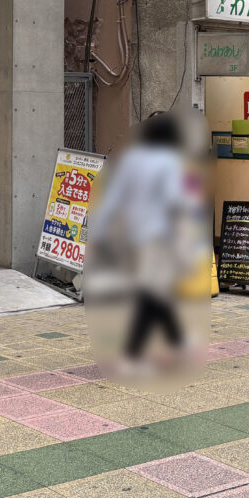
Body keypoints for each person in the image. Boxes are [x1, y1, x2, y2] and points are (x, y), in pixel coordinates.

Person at [85, 113, 196, 370]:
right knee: (153, 291)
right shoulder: (170, 163)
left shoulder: (130, 161)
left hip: (129, 238)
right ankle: (133, 351)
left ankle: (176, 341)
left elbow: (112, 199)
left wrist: (99, 233)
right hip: (158, 237)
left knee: (156, 289)